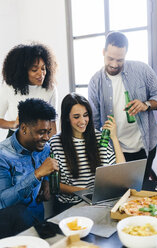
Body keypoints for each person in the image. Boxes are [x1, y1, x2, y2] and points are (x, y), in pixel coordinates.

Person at [88, 31, 157, 181]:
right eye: (110, 58)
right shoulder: (95, 82)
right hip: (115, 149)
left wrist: (146, 104)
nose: (115, 64)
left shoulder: (142, 70)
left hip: (145, 145)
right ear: (103, 52)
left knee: (139, 191)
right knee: (120, 192)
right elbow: (95, 123)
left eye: (120, 60)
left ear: (126, 54)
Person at [50, 93, 125, 213]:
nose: (82, 121)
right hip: (70, 206)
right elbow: (54, 185)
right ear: (66, 118)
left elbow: (121, 171)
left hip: (98, 202)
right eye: (76, 117)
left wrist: (114, 138)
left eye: (85, 115)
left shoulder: (99, 137)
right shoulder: (55, 143)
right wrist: (82, 191)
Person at [0, 98, 58, 237]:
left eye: (48, 131)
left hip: (37, 221)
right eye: (41, 132)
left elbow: (46, 171)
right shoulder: (3, 155)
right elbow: (3, 202)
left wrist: (46, 182)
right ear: (24, 128)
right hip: (11, 229)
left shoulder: (45, 149)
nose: (46, 137)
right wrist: (37, 174)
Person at [0, 42, 58, 138]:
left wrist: (53, 146)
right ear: (22, 72)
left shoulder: (50, 88)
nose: (41, 74)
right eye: (34, 70)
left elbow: (52, 122)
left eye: (43, 68)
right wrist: (14, 124)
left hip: (42, 139)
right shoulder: (9, 88)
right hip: (15, 139)